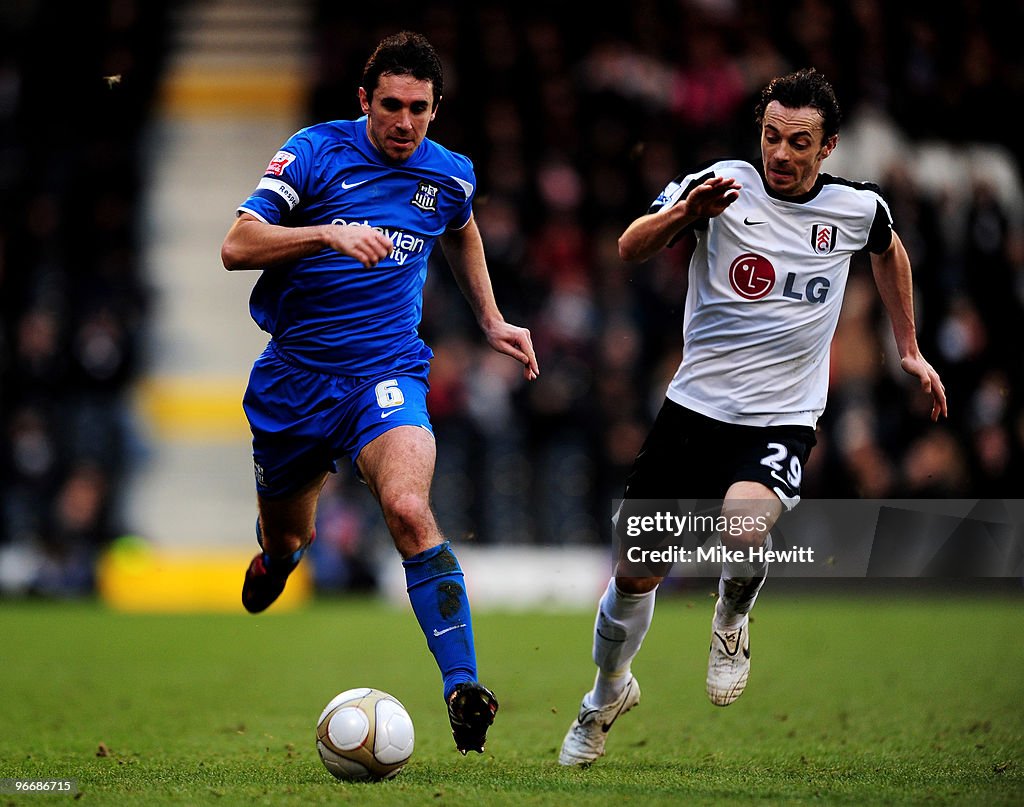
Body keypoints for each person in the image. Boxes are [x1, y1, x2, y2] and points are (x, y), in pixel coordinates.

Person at [558, 67, 946, 766]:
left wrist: (909, 347)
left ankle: (731, 618)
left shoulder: (857, 210)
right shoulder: (721, 184)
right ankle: (605, 694)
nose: (781, 153)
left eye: (800, 141)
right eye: (772, 136)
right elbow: (628, 245)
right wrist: (687, 214)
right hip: (692, 411)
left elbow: (888, 249)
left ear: (828, 148)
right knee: (634, 573)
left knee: (744, 521)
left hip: (781, 416)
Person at [220, 30, 539, 756]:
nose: (404, 123)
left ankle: (463, 687)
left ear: (435, 108)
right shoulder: (314, 152)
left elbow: (461, 227)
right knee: (288, 534)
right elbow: (237, 245)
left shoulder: (449, 173)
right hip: (294, 383)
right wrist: (326, 234)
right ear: (364, 100)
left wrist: (490, 318)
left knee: (406, 506)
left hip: (386, 375)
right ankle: (279, 556)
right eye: (390, 105)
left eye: (419, 109)